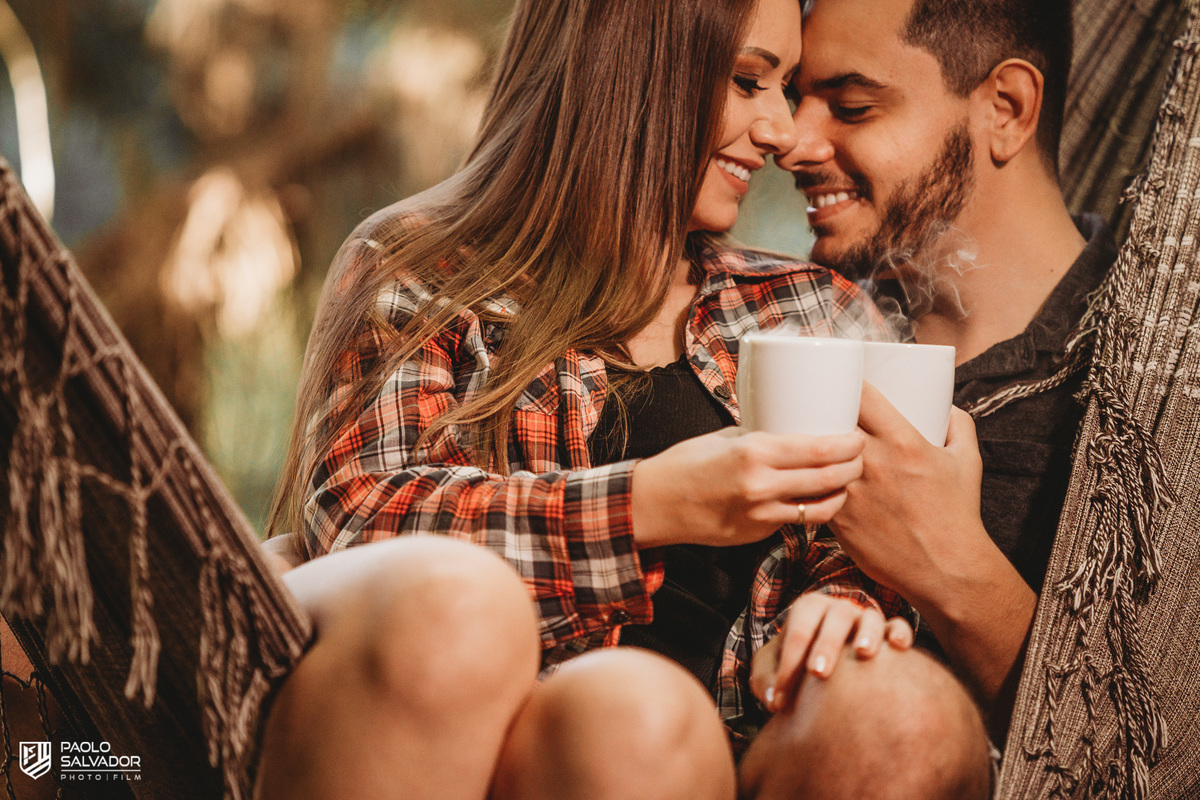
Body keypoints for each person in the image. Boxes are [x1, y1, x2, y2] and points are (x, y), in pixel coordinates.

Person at [255, 0, 992, 798]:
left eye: (785, 88)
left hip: (759, 749)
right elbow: (364, 517)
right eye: (749, 82)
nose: (781, 130)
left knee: (913, 718)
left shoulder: (811, 307)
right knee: (634, 717)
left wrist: (846, 602)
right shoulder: (426, 272)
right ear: (631, 73)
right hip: (525, 747)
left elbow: (866, 536)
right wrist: (647, 505)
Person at [780, 0, 1110, 741]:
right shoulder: (784, 322)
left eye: (853, 106)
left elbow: (1162, 756)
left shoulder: (1150, 402)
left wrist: (952, 569)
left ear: (1007, 108)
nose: (792, 141)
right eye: (795, 96)